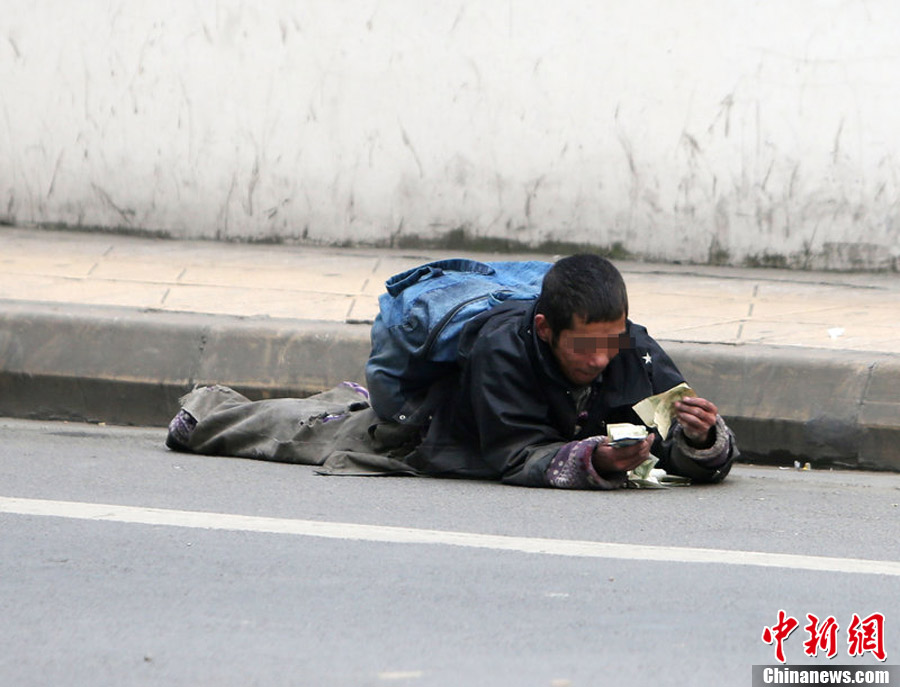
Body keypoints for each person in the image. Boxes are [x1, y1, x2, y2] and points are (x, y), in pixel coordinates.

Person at [166, 254, 738, 489]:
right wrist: (595, 461)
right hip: (434, 430)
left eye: (608, 343)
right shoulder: (502, 349)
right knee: (305, 432)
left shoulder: (627, 347)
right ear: (544, 329)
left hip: (505, 424)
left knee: (337, 414)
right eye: (583, 347)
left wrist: (700, 438)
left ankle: (352, 398)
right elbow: (512, 454)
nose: (599, 360)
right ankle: (209, 408)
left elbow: (677, 440)